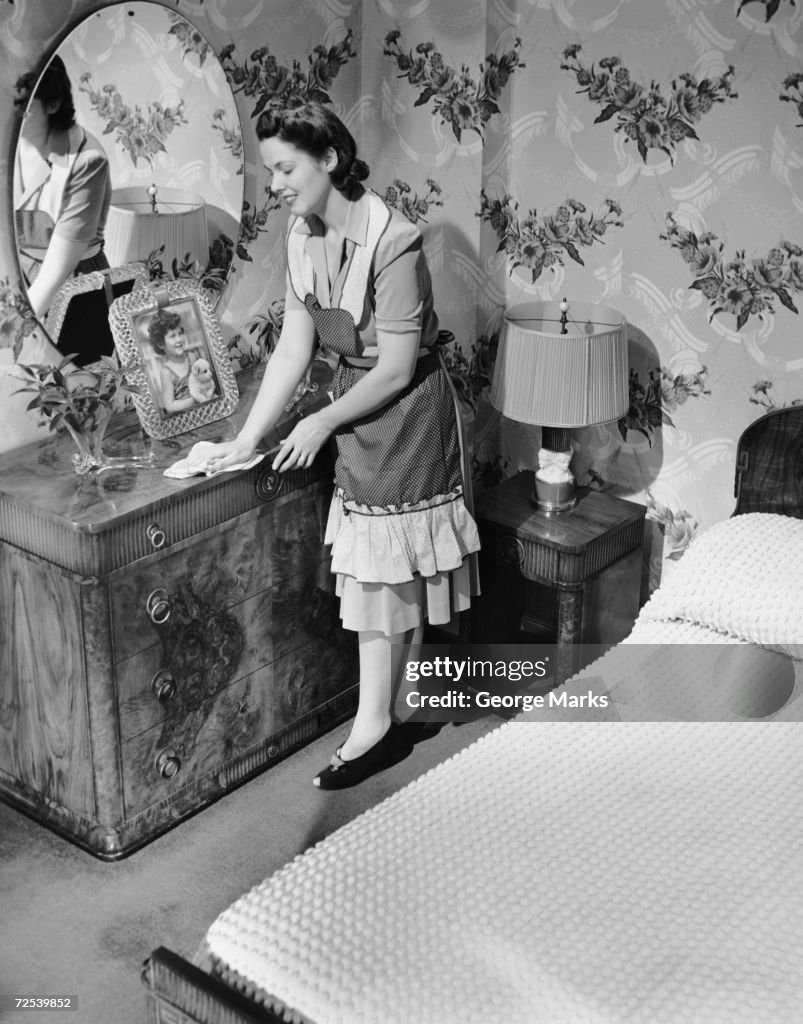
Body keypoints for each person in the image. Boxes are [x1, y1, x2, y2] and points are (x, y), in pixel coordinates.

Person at [202, 102, 481, 789]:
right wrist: (247, 437)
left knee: (390, 568)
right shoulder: (303, 233)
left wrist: (319, 423)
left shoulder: (394, 241)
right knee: (370, 568)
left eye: (284, 168)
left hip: (406, 412)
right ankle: (383, 712)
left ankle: (376, 724)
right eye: (269, 170)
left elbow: (392, 366)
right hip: (357, 412)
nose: (274, 184)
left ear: (328, 159)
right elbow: (294, 347)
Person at [14, 56, 112, 339]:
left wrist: (14, 334)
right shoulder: (10, 145)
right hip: (19, 274)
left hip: (76, 289)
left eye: (23, 106)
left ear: (52, 105)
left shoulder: (86, 161)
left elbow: (54, 275)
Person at [146, 308, 202, 416]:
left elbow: (203, 380)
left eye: (180, 333)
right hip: (185, 417)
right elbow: (170, 406)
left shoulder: (192, 357)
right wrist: (194, 400)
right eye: (173, 336)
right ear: (161, 344)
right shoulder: (166, 372)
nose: (179, 339)